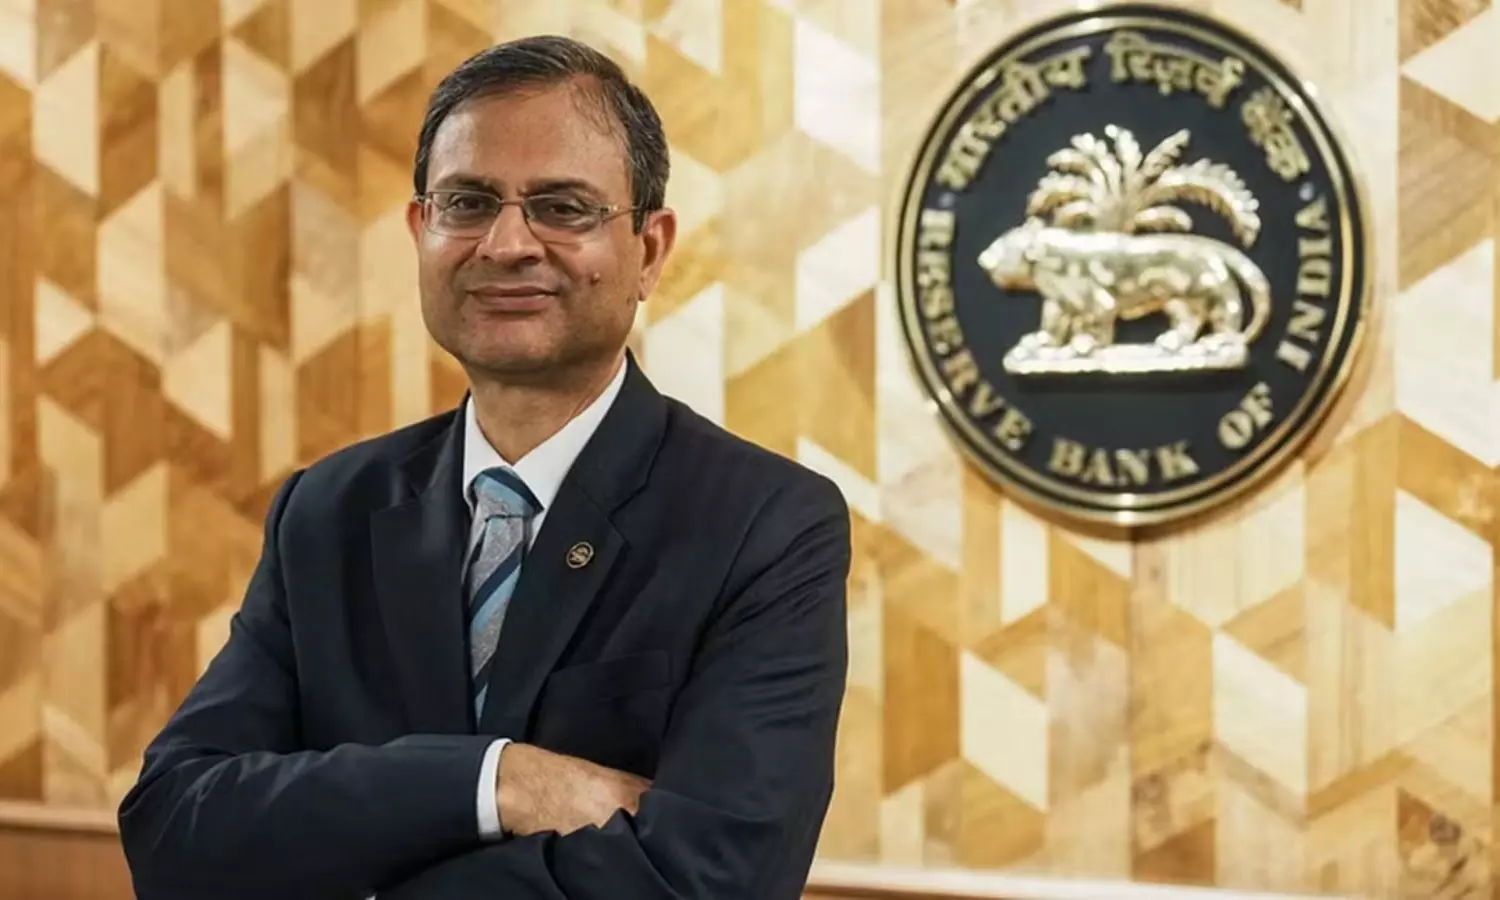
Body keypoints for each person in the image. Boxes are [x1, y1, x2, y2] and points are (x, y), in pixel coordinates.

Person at [116, 34, 851, 900]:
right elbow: (174, 829)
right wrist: (496, 780)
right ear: (421, 230)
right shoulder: (326, 511)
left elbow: (714, 879)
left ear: (649, 250)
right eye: (466, 202)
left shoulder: (766, 524)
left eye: (562, 207)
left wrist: (354, 857)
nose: (506, 243)